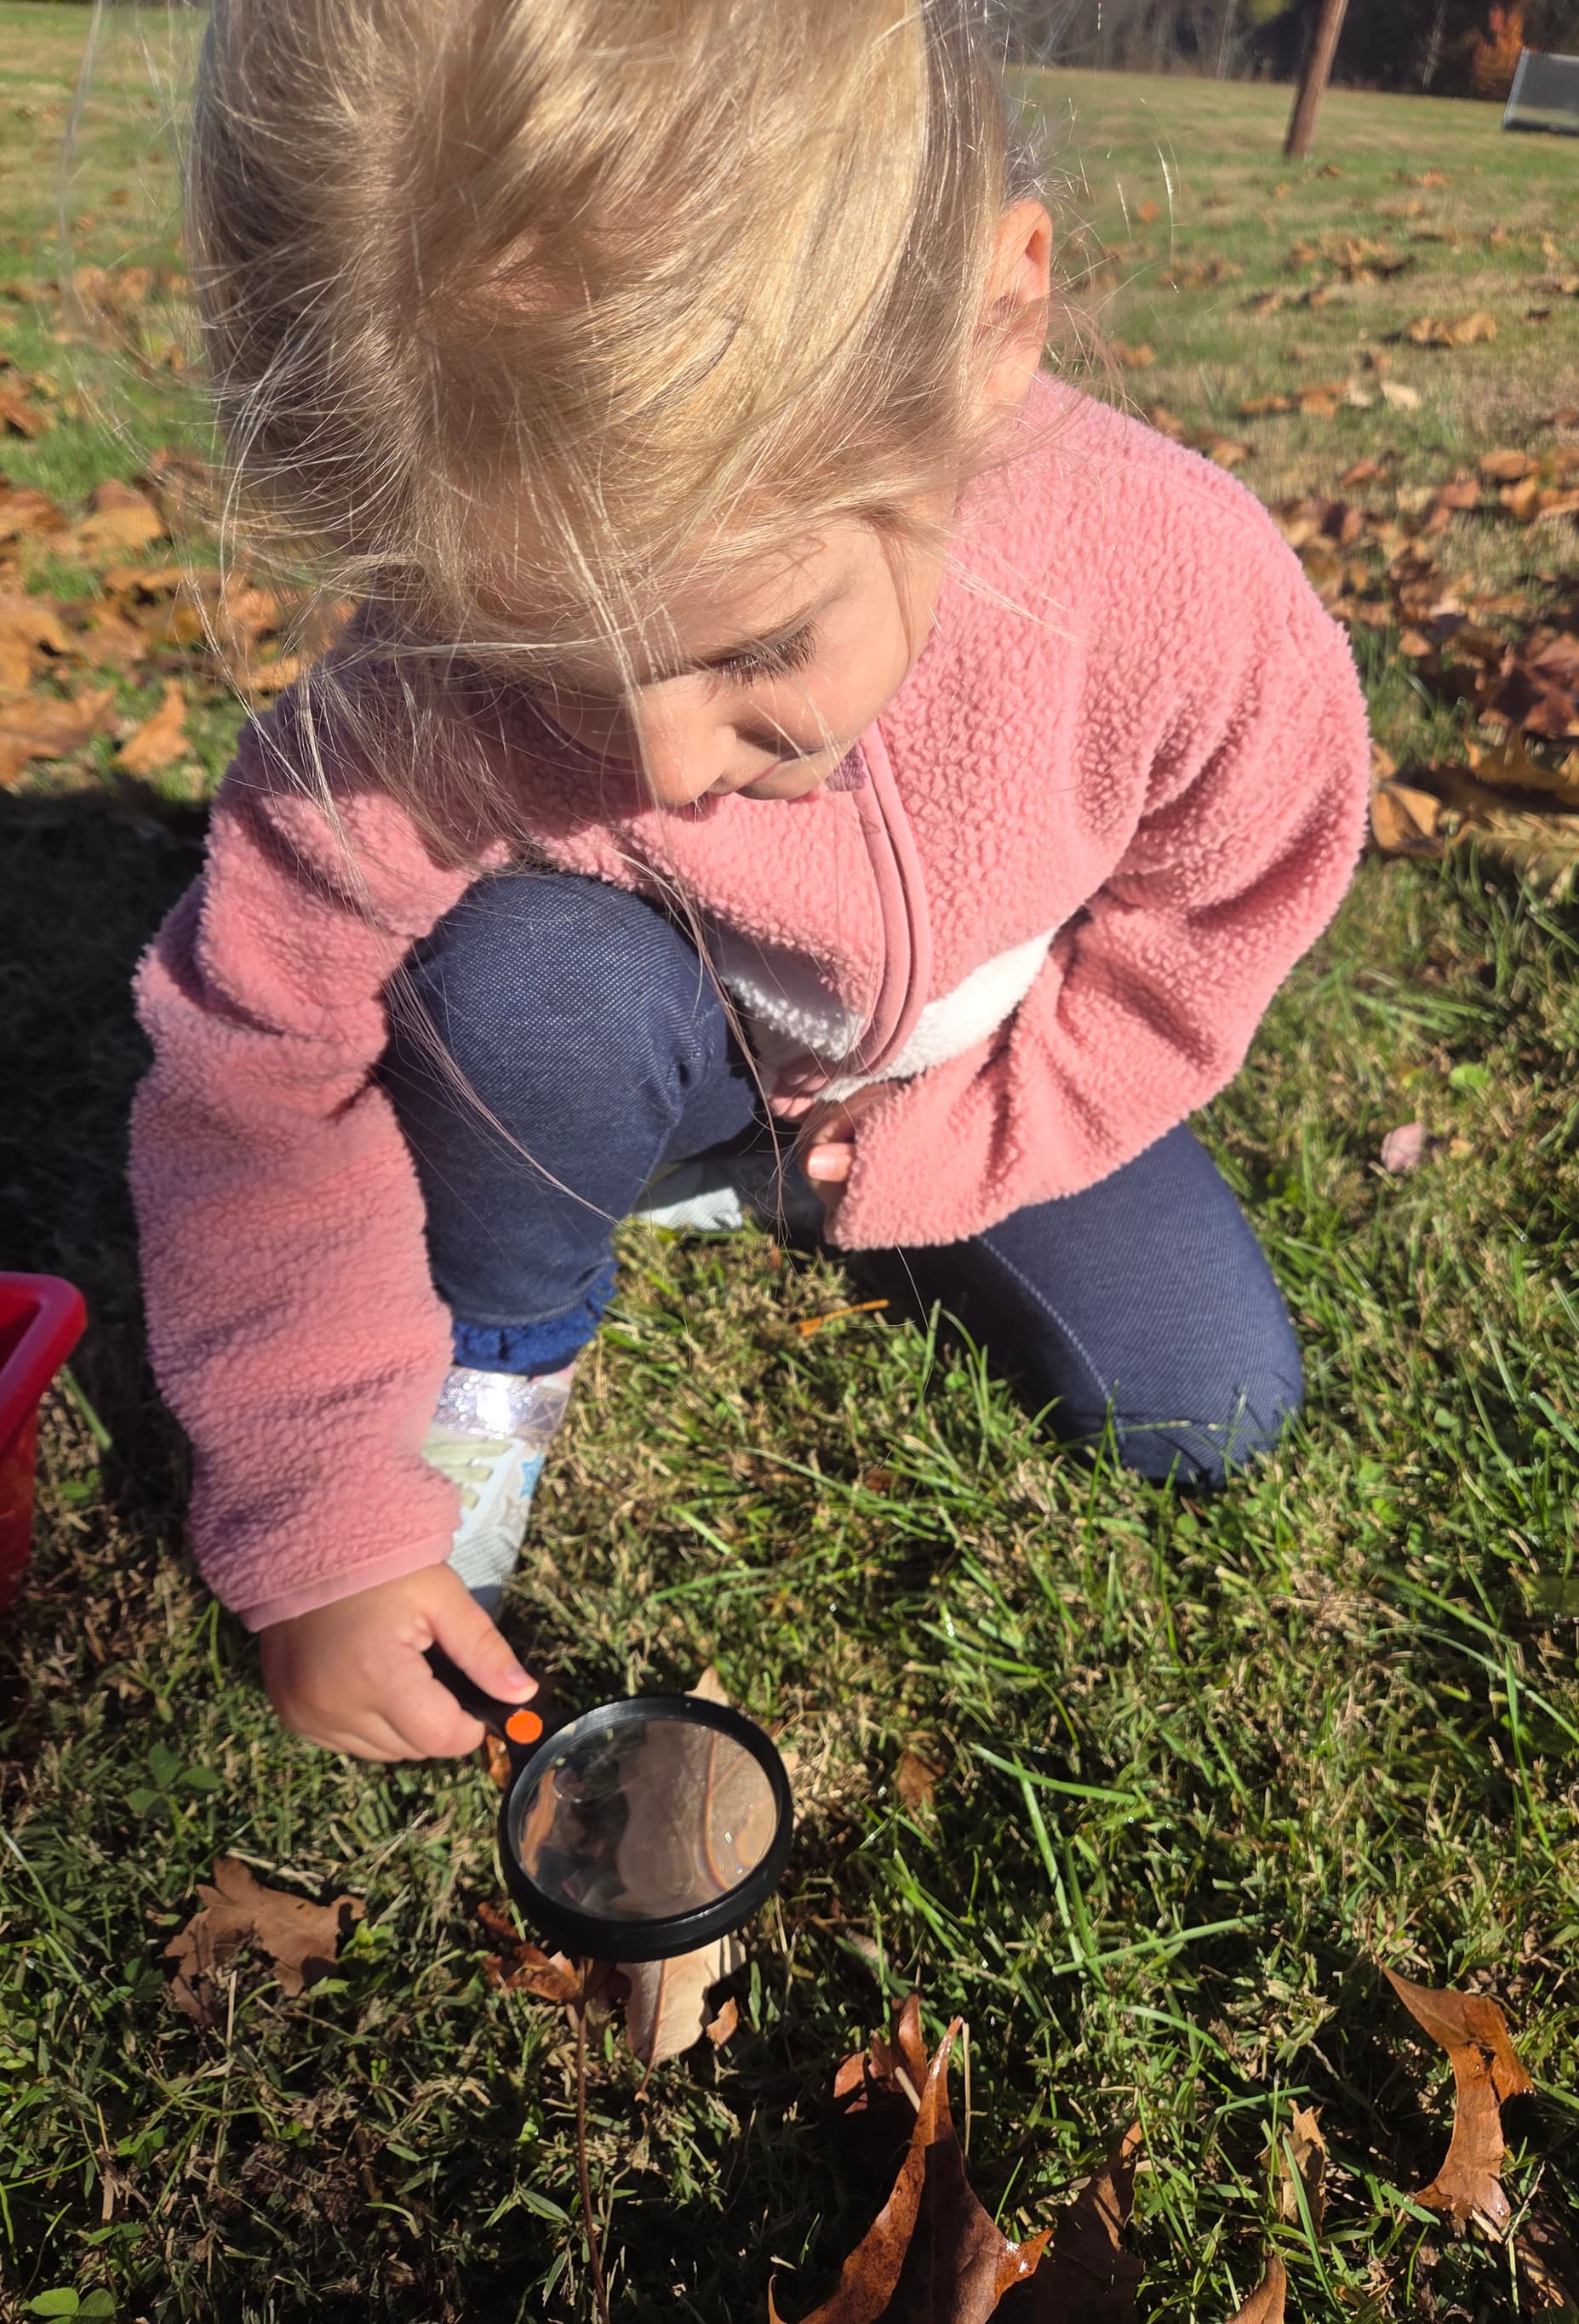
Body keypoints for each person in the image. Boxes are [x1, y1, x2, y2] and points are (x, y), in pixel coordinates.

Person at [129, 0, 1370, 1764]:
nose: (649, 763)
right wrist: (317, 1506)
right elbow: (253, 1064)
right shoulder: (422, 686)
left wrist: (984, 1134)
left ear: (991, 324)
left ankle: (790, 1186)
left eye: (755, 644)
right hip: (663, 1026)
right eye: (547, 664)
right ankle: (508, 1322)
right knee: (528, 991)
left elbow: (1221, 909)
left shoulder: (1181, 591)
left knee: (1207, 1395)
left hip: (958, 1071)